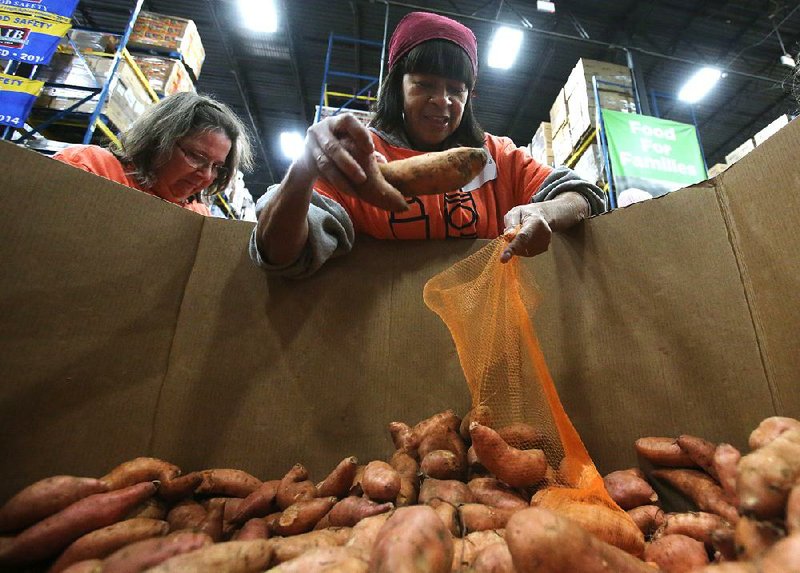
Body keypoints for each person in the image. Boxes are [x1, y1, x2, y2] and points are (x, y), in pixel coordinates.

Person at [251, 11, 605, 278]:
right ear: (397, 87)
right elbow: (279, 255)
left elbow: (583, 195)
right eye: (424, 85)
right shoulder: (356, 157)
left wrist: (543, 212)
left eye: (456, 90)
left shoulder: (496, 156)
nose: (442, 101)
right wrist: (303, 170)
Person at [54, 92, 253, 216]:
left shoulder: (198, 218)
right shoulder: (92, 168)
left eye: (216, 167)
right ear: (158, 140)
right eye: (196, 157)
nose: (207, 175)